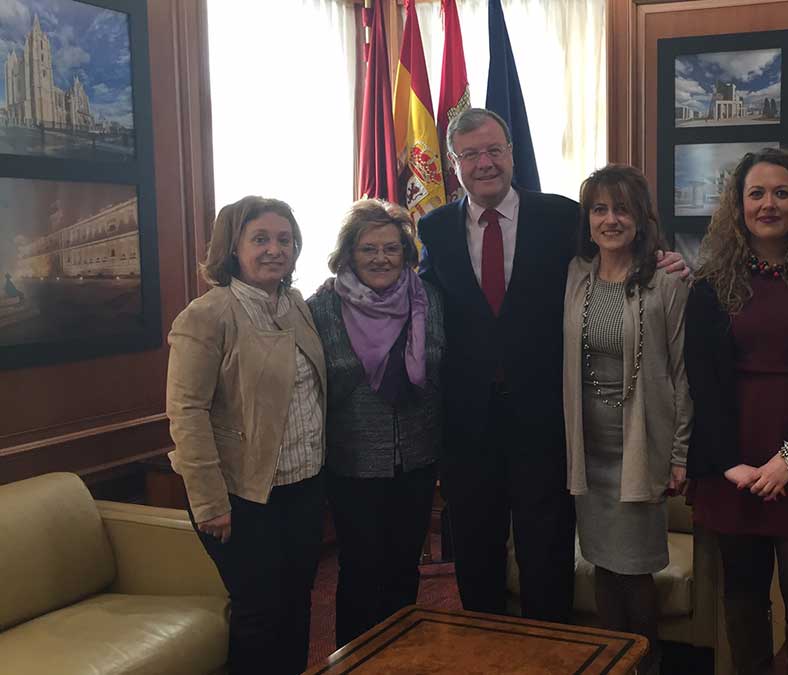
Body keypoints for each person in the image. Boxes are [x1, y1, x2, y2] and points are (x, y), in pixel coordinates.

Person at [417, 108, 686, 622]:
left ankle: (554, 655)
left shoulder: (562, 217)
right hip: (467, 426)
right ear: (454, 165)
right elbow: (419, 299)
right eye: (470, 154)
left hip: (547, 420)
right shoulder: (434, 229)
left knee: (547, 550)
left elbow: (619, 256)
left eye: (494, 150)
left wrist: (669, 261)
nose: (485, 163)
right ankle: (488, 648)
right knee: (476, 551)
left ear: (512, 154)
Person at [685, 148, 788, 675]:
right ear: (738, 205)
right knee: (743, 591)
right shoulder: (710, 286)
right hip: (733, 464)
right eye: (756, 193)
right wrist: (731, 462)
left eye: (782, 192)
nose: (768, 204)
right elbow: (703, 383)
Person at [166, 196, 325, 675]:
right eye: (260, 239)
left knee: (298, 604)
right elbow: (186, 412)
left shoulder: (296, 304)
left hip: (304, 485)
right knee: (258, 614)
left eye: (285, 239)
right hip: (243, 497)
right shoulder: (207, 315)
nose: (275, 249)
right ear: (233, 248)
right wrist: (209, 501)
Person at [563, 165, 692, 673]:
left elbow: (683, 376)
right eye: (599, 209)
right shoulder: (576, 273)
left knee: (634, 570)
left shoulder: (667, 281)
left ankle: (646, 662)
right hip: (588, 448)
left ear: (641, 218)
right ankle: (612, 664)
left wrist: (680, 454)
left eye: (622, 209)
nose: (610, 219)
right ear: (588, 219)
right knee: (600, 562)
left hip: (643, 444)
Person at [307, 199, 444, 647]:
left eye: (391, 248)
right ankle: (355, 658)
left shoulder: (428, 299)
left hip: (418, 457)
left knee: (405, 566)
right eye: (369, 249)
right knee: (361, 568)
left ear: (406, 252)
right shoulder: (322, 307)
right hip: (352, 461)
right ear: (349, 254)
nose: (381, 258)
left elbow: (442, 368)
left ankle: (401, 655)